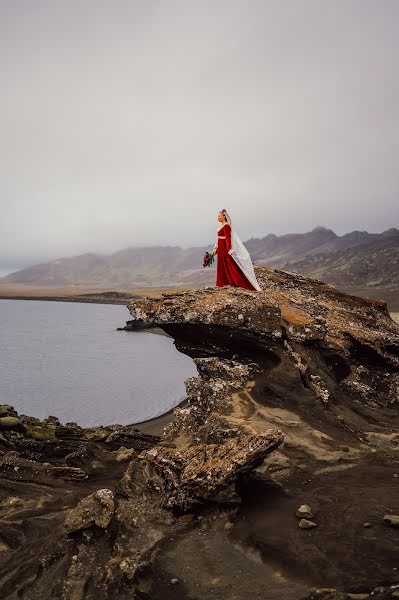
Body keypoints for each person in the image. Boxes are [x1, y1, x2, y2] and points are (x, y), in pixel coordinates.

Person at [213, 209, 261, 291]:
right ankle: (222, 283)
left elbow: (228, 239)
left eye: (219, 216)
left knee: (230, 265)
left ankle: (237, 281)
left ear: (224, 216)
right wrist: (216, 247)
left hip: (225, 249)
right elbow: (219, 239)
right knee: (222, 265)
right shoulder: (221, 227)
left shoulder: (226, 226)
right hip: (221, 249)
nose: (217, 217)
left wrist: (229, 250)